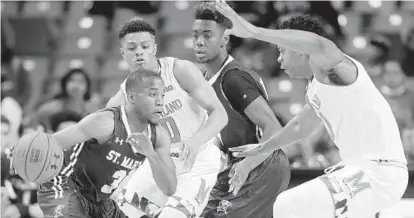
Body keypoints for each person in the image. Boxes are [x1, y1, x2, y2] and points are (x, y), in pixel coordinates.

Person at [215, 3, 409, 218]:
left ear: (300, 50)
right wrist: (258, 153)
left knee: (287, 206)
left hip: (378, 173)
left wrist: (253, 31)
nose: (279, 59)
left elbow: (317, 42)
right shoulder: (316, 88)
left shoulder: (337, 69)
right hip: (361, 173)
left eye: (282, 50)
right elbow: (300, 126)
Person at [106, 19, 228, 218]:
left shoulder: (179, 71)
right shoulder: (119, 101)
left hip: (199, 157)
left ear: (154, 48)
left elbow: (220, 114)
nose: (139, 52)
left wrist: (196, 141)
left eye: (144, 46)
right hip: (160, 163)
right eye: (132, 47)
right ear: (123, 53)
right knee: (120, 210)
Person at [191, 3, 290, 218]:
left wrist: (248, 163)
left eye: (208, 35)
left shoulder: (233, 78)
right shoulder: (207, 80)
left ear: (224, 39)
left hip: (260, 164)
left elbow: (274, 127)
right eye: (195, 35)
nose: (199, 41)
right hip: (237, 166)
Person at [36, 69, 177, 218]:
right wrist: (19, 156)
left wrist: (151, 154)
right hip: (66, 185)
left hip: (100, 200)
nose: (160, 102)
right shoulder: (105, 122)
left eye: (162, 95)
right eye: (153, 94)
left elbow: (169, 188)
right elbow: (51, 142)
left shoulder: (158, 136)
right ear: (132, 97)